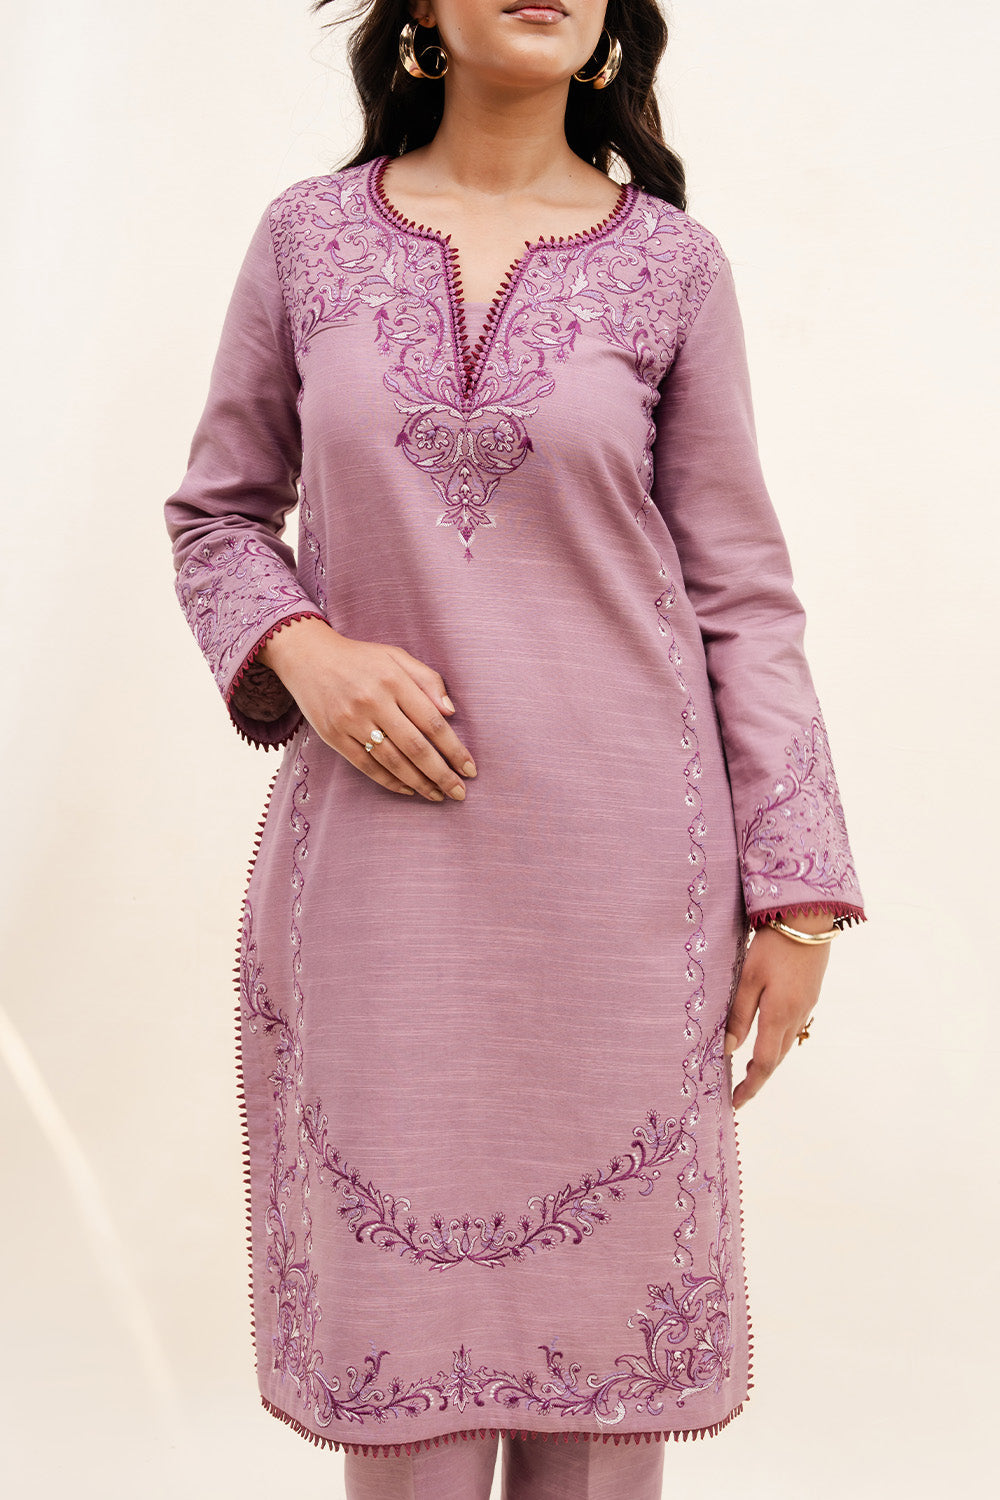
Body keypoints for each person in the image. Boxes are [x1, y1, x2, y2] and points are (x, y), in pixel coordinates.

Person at [163, 1, 867, 1495]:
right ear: (420, 5)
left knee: (602, 1392)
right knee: (403, 1391)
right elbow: (217, 518)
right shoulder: (307, 239)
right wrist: (306, 650)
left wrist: (798, 896)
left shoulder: (672, 266)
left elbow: (742, 592)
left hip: (628, 886)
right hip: (386, 884)